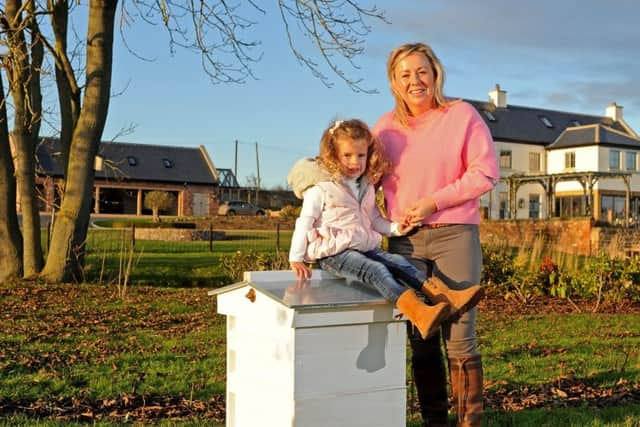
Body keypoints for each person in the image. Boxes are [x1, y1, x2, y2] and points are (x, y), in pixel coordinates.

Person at [372, 43, 500, 427]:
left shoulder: (461, 115)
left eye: (422, 71)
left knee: (460, 335)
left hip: (455, 235)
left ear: (436, 74)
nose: (415, 80)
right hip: (405, 243)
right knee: (420, 336)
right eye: (405, 74)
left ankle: (468, 423)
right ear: (394, 82)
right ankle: (434, 422)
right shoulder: (383, 129)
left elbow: (485, 173)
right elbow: (364, 183)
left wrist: (433, 202)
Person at [287, 118, 483, 340]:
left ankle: (447, 298)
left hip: (361, 245)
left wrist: (397, 228)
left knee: (399, 263)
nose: (355, 162)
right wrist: (297, 257)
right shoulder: (321, 189)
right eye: (347, 155)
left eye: (361, 155)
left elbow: (374, 219)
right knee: (377, 271)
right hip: (333, 252)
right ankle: (419, 313)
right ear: (333, 155)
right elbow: (304, 222)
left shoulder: (366, 187)